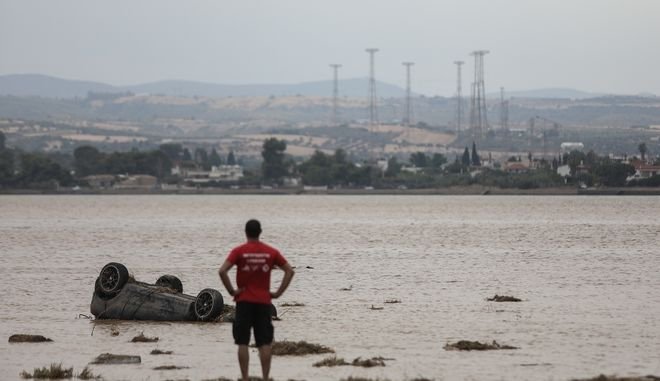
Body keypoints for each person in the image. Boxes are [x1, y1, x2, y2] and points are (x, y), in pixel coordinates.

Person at [218, 219, 295, 381]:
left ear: (246, 233)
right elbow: (289, 271)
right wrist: (278, 293)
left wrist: (232, 291)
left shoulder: (239, 251)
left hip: (243, 302)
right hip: (263, 303)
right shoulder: (271, 252)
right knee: (264, 342)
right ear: (260, 232)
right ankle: (265, 378)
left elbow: (222, 271)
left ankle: (245, 378)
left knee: (242, 342)